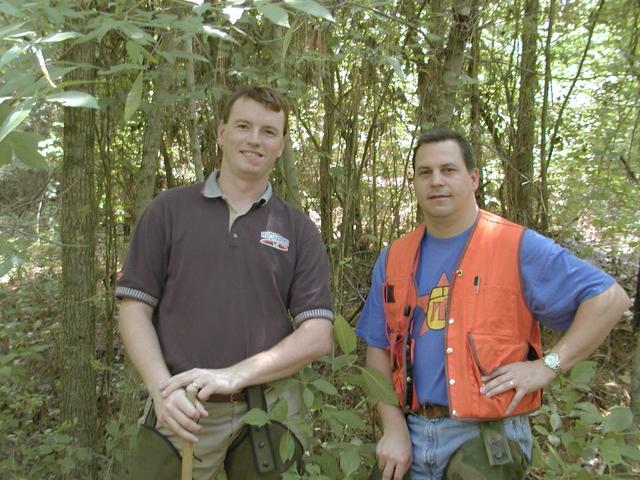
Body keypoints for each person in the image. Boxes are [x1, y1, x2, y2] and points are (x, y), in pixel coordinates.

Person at [356, 127, 631, 480]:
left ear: (473, 178)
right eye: (425, 172)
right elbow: (378, 348)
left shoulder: (513, 245)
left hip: (486, 438)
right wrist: (392, 427)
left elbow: (609, 298)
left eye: (448, 170)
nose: (436, 181)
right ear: (414, 182)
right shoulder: (394, 256)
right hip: (410, 434)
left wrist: (547, 366)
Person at [116, 86, 334, 479]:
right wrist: (161, 391)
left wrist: (234, 375)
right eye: (243, 126)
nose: (254, 139)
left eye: (269, 131)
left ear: (281, 145)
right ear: (220, 133)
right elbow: (134, 308)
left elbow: (318, 334)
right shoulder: (168, 211)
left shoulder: (297, 229)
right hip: (182, 408)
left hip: (268, 409)